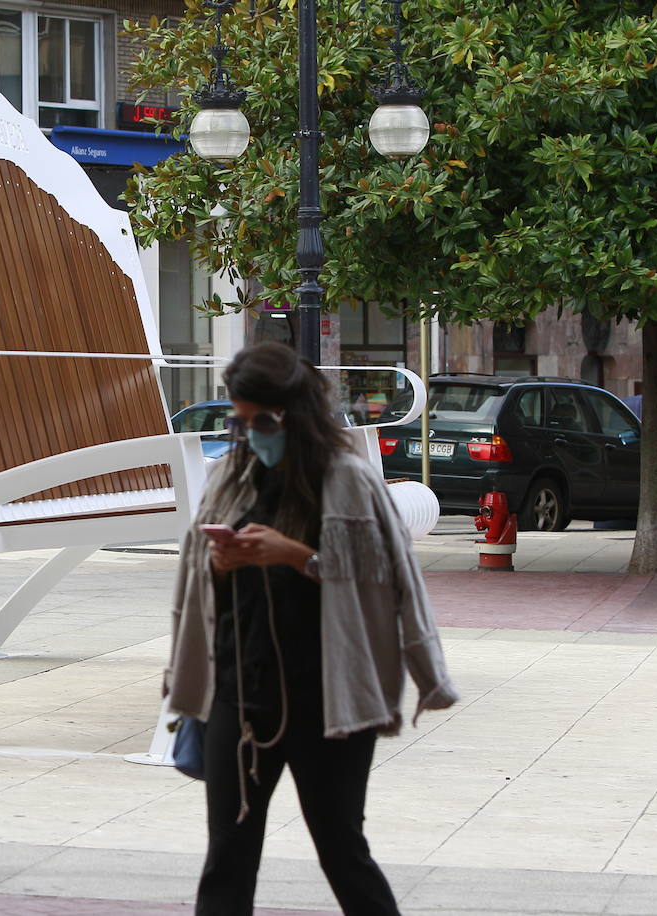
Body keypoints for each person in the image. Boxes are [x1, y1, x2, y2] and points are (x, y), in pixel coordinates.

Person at [166, 342, 460, 916]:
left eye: (265, 421)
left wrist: (293, 554)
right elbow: (196, 576)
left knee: (341, 850)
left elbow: (385, 580)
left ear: (295, 415)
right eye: (241, 421)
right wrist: (221, 564)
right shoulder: (232, 473)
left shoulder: (347, 478)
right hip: (242, 691)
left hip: (329, 700)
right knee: (227, 856)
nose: (253, 433)